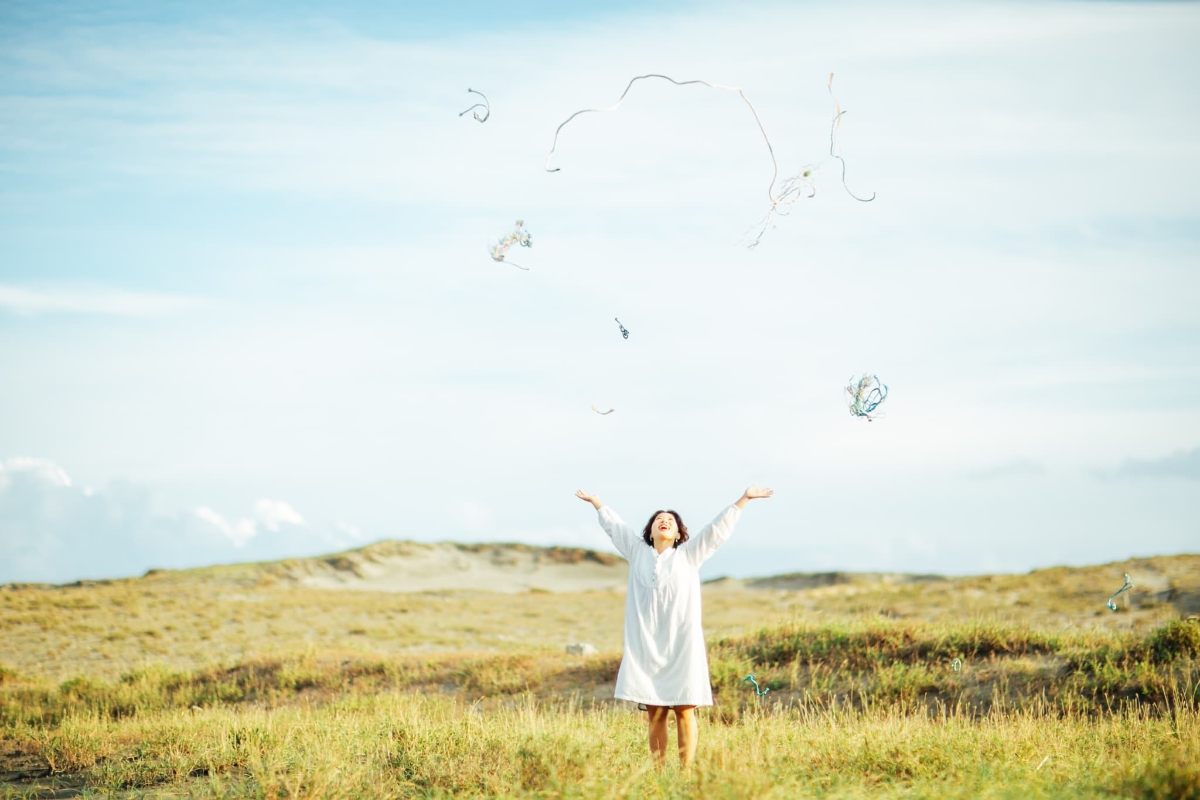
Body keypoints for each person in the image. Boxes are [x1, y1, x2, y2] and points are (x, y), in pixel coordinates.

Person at [574, 485, 774, 767]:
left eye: (670, 519)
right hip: (647, 645)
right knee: (655, 713)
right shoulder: (637, 551)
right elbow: (616, 528)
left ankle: (686, 774)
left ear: (679, 533)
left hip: (682, 645)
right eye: (658, 519)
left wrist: (744, 499)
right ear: (650, 530)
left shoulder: (689, 554)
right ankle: (658, 774)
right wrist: (597, 502)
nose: (664, 520)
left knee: (684, 710)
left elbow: (716, 531)